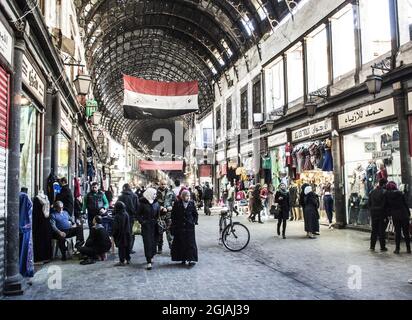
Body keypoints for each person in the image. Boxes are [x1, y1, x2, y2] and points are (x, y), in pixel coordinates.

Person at [170, 189, 199, 266]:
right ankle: (183, 258)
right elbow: (173, 215)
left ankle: (191, 259)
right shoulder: (177, 203)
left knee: (190, 243)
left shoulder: (191, 203)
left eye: (189, 196)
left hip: (189, 227)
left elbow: (195, 214)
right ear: (182, 196)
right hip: (180, 226)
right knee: (181, 243)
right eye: (187, 196)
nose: (188, 197)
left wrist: (194, 221)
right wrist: (174, 224)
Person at [385, 181, 411, 254]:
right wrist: (408, 213)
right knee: (406, 233)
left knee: (398, 232)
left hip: (395, 216)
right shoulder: (400, 193)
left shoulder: (387, 195)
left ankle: (397, 249)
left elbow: (388, 207)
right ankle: (408, 249)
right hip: (404, 214)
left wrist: (389, 214)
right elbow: (405, 204)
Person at [137, 188, 159, 270]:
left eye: (155, 194)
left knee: (154, 242)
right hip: (146, 226)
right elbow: (138, 214)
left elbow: (158, 213)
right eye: (154, 194)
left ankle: (152, 255)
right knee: (147, 243)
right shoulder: (142, 203)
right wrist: (142, 222)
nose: (155, 196)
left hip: (154, 226)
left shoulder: (156, 203)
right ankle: (148, 260)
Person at [117, 183, 139, 254]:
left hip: (121, 218)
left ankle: (124, 249)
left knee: (123, 233)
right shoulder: (134, 196)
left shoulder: (120, 197)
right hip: (132, 217)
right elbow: (137, 207)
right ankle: (130, 249)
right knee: (131, 233)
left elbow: (117, 207)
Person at [368, 178, 388, 252]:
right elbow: (385, 204)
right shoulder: (384, 192)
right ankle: (382, 247)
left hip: (373, 213)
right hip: (381, 213)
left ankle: (372, 246)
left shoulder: (372, 192)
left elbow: (369, 203)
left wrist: (371, 210)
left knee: (374, 230)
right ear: (384, 184)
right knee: (381, 230)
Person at [19, 190, 34, 278]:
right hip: (24, 228)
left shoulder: (23, 197)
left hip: (24, 228)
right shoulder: (24, 197)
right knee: (23, 251)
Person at [112, 201, 132, 266]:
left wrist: (113, 234)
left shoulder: (117, 216)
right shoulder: (126, 214)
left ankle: (122, 261)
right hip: (127, 233)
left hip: (120, 235)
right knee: (127, 247)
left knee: (121, 248)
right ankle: (128, 259)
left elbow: (116, 227)